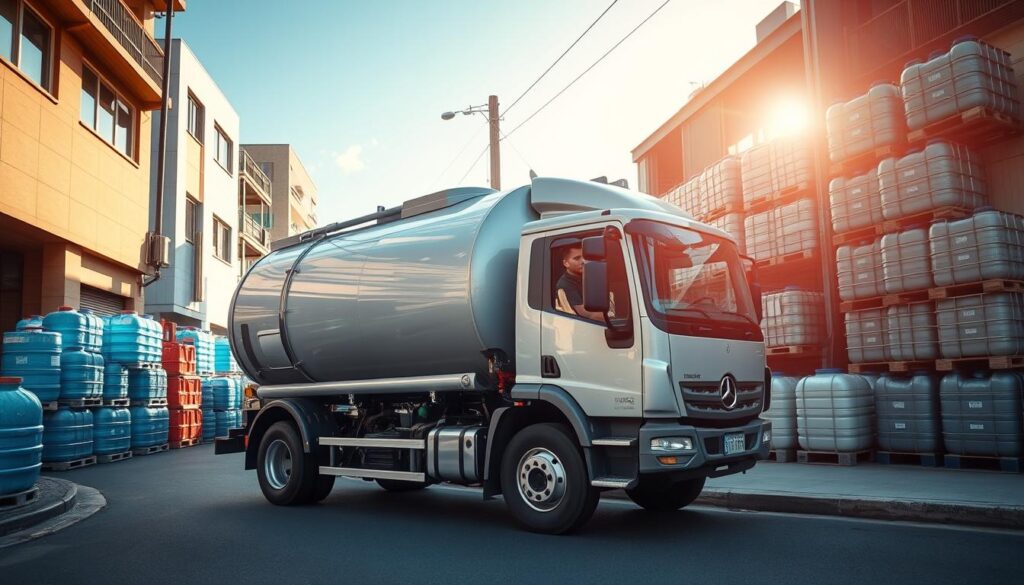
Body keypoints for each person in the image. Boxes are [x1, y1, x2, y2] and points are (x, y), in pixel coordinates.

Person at [554, 244, 607, 321]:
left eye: (585, 257)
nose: (583, 261)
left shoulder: (590, 276)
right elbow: (589, 315)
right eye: (577, 258)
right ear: (566, 263)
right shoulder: (565, 285)